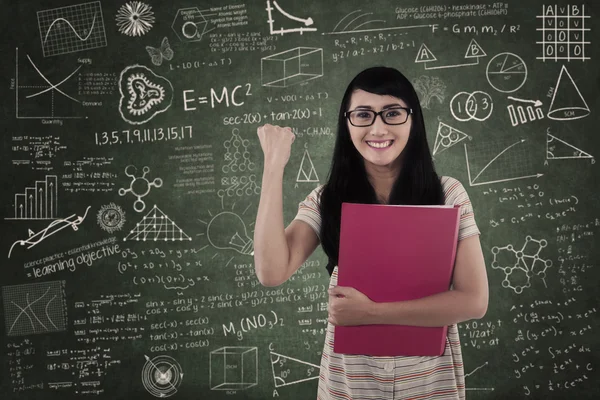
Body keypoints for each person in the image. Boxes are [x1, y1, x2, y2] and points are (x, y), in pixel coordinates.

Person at [254, 66, 488, 400]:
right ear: (346, 122)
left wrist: (372, 313)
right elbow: (271, 271)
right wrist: (273, 166)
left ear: (413, 120)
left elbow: (474, 301)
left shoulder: (448, 194)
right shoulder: (326, 200)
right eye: (363, 115)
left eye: (392, 113)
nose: (378, 128)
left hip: (428, 386)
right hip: (349, 386)